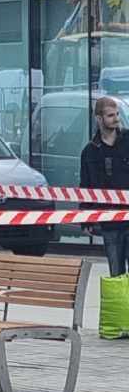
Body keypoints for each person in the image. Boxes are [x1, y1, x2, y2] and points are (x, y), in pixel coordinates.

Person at [81, 96, 129, 276]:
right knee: (116, 273)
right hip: (109, 221)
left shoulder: (128, 140)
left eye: (117, 114)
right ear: (99, 118)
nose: (116, 118)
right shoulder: (90, 151)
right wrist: (85, 218)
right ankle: (122, 305)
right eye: (111, 115)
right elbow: (85, 187)